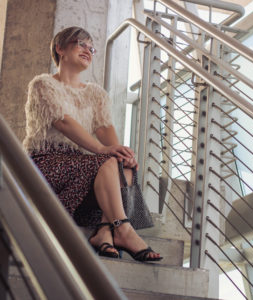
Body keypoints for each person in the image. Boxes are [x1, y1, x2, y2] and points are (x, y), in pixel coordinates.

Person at [23, 26, 161, 262]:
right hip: (47, 163)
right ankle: (123, 230)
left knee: (122, 165)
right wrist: (101, 149)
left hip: (82, 167)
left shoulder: (95, 93)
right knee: (106, 160)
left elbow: (105, 129)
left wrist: (123, 155)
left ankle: (105, 231)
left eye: (92, 47)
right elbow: (63, 122)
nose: (88, 50)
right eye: (81, 44)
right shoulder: (43, 84)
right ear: (60, 49)